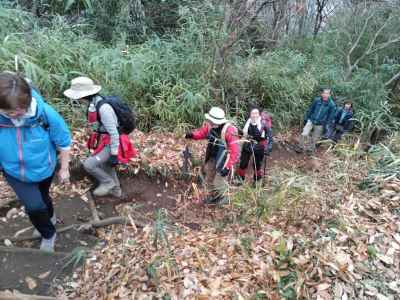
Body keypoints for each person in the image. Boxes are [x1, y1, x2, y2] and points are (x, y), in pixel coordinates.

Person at [0, 72, 71, 252]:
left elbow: (63, 142)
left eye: (18, 111)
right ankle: (49, 234)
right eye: (8, 112)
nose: (14, 115)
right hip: (14, 171)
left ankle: (51, 217)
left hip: (44, 168)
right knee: (34, 206)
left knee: (44, 197)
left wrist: (64, 169)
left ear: (27, 101)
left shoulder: (45, 113)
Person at [64, 77, 136, 198]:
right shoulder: (95, 102)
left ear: (83, 95)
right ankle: (117, 192)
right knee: (107, 166)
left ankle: (108, 183)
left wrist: (113, 154)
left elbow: (114, 133)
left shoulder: (103, 108)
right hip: (105, 140)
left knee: (89, 164)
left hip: (113, 142)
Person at [185, 107, 240, 204]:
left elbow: (235, 151)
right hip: (213, 155)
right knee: (208, 176)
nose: (208, 122)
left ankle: (224, 199)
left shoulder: (230, 130)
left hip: (224, 159)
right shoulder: (210, 126)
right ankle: (213, 196)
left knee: (219, 180)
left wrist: (227, 167)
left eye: (211, 120)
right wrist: (192, 135)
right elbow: (202, 133)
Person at [237, 107, 273, 183]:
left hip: (259, 146)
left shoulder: (263, 123)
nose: (254, 115)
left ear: (259, 114)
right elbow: (243, 133)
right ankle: (240, 179)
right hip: (248, 144)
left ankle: (257, 180)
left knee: (257, 164)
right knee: (243, 162)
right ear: (250, 114)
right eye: (253, 113)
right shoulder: (248, 122)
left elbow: (269, 136)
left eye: (256, 113)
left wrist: (268, 148)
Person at [297, 88, 336, 154]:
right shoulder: (317, 100)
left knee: (314, 138)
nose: (325, 95)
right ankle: (300, 147)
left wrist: (326, 125)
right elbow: (311, 109)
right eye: (324, 93)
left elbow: (330, 117)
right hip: (311, 120)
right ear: (322, 93)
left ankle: (310, 150)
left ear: (329, 95)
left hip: (320, 124)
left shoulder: (332, 105)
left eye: (327, 93)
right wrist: (306, 118)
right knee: (304, 133)